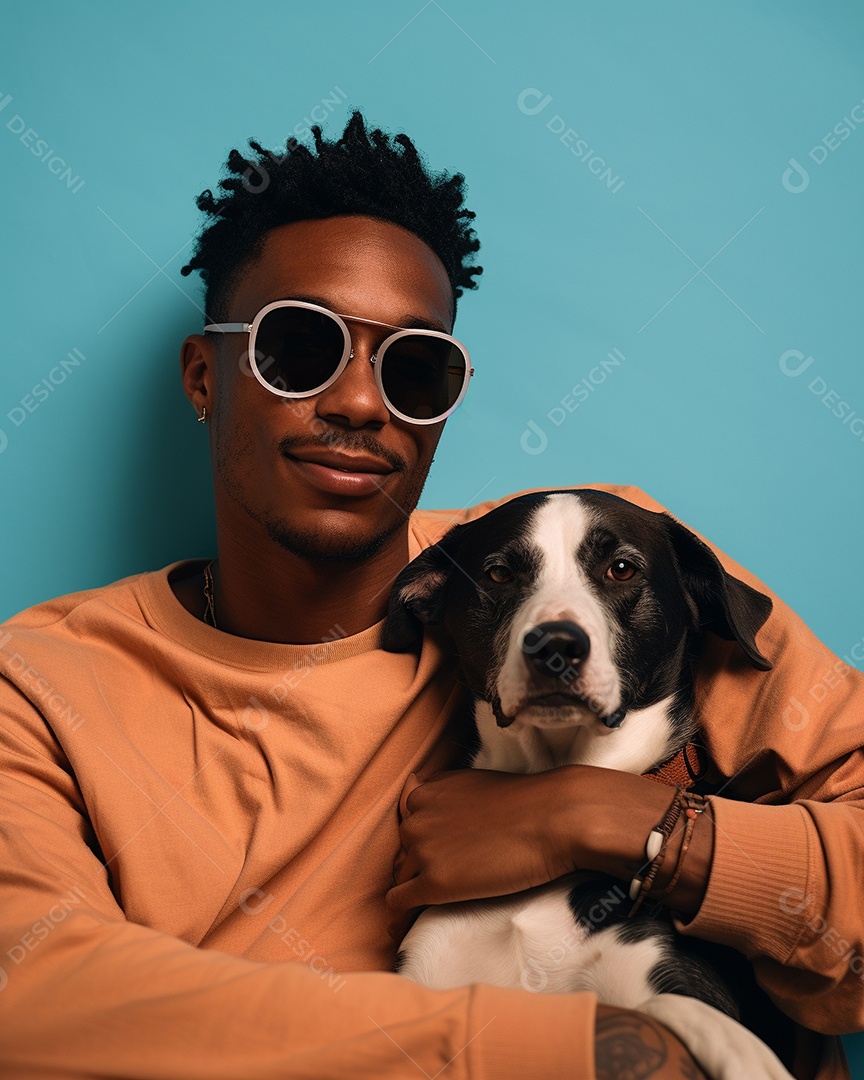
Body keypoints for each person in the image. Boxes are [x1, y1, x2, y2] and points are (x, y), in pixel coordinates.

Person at [0, 111, 860, 1080]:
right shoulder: (38, 686)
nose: (361, 403)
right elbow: (32, 997)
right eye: (300, 348)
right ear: (205, 376)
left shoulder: (589, 567)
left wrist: (600, 819)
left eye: (413, 368)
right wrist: (601, 1051)